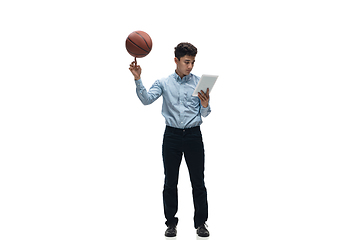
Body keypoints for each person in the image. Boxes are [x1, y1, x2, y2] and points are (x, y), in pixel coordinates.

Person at [129, 42, 210, 238]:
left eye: (193, 62)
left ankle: (201, 223)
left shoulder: (201, 82)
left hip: (193, 136)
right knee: (170, 182)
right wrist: (138, 79)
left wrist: (205, 105)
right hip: (172, 136)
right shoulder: (164, 83)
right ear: (176, 60)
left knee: (198, 182)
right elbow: (147, 100)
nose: (190, 66)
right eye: (186, 62)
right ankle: (171, 223)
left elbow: (206, 114)